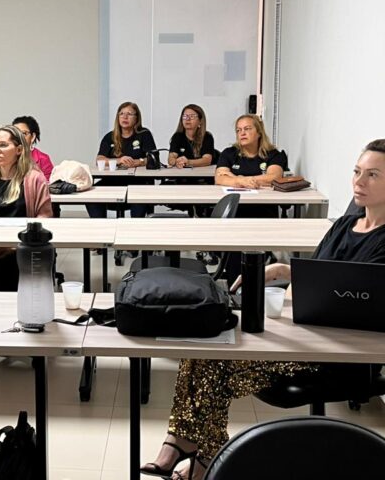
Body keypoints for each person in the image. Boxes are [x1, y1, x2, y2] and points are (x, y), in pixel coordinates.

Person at [142, 139, 385, 480]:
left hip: (338, 355)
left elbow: (358, 301)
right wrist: (284, 271)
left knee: (214, 365)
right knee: (202, 345)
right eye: (357, 171)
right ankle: (182, 442)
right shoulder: (345, 225)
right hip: (302, 335)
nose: (359, 181)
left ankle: (201, 457)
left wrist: (297, 299)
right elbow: (316, 280)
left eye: (372, 175)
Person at [0, 124, 52, 291]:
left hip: (21, 249)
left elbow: (44, 218)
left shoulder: (34, 179)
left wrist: (14, 245)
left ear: (19, 149)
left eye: (3, 145)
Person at [88, 101, 157, 220]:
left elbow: (153, 159)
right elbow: (99, 159)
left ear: (136, 118)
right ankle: (101, 226)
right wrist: (119, 160)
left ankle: (134, 229)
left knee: (139, 197)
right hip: (112, 181)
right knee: (91, 195)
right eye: (122, 114)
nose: (125, 117)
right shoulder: (110, 136)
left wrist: (138, 162)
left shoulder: (144, 134)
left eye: (129, 114)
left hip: (138, 181)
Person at [168, 104, 214, 169]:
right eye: (185, 116)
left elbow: (207, 160)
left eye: (192, 116)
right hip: (182, 173)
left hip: (203, 173)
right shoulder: (177, 137)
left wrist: (188, 162)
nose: (188, 119)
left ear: (200, 121)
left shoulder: (207, 137)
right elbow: (171, 158)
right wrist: (176, 162)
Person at [12, 115, 54, 181]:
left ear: (33, 137)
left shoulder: (43, 159)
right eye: (15, 134)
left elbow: (48, 184)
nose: (19, 138)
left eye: (23, 133)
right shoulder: (6, 155)